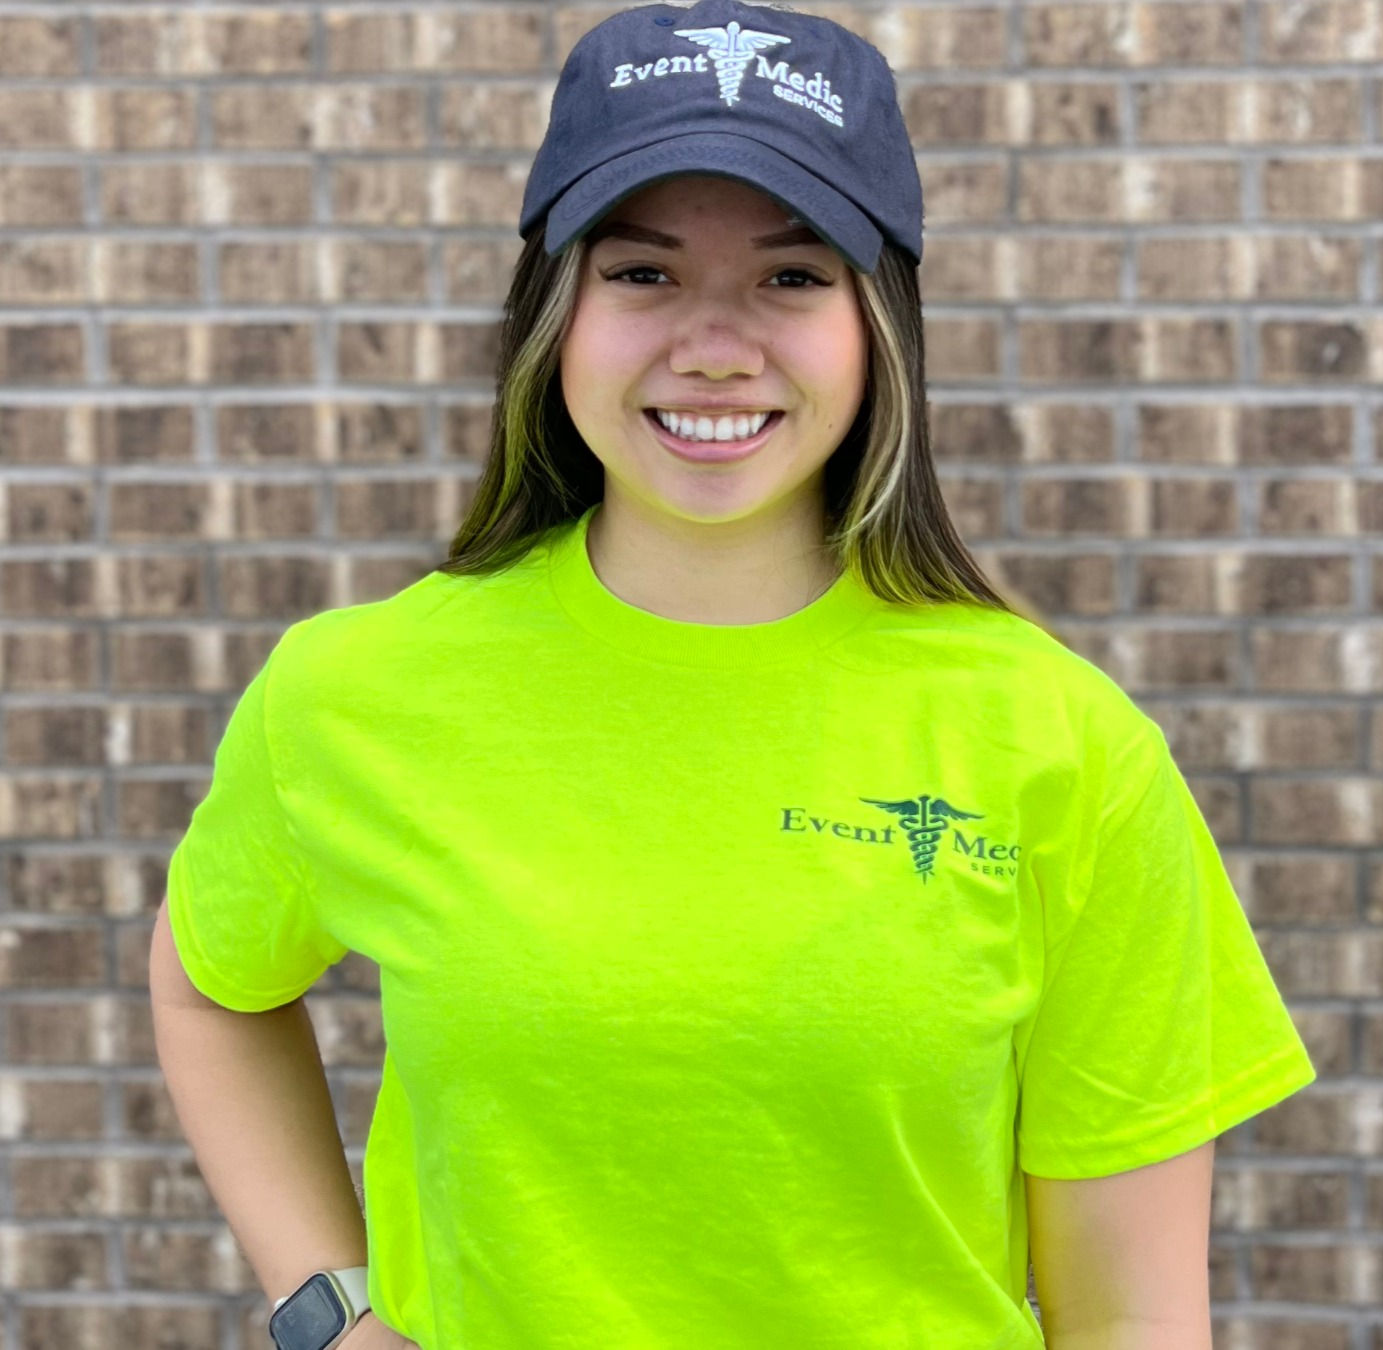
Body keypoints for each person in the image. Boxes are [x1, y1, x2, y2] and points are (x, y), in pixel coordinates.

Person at [148, 2, 1318, 1347]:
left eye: (791, 275)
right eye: (642, 274)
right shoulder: (353, 691)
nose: (712, 343)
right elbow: (207, 985)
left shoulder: (1059, 743)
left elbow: (1132, 1322)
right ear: (556, 311)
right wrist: (330, 1312)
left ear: (878, 324)